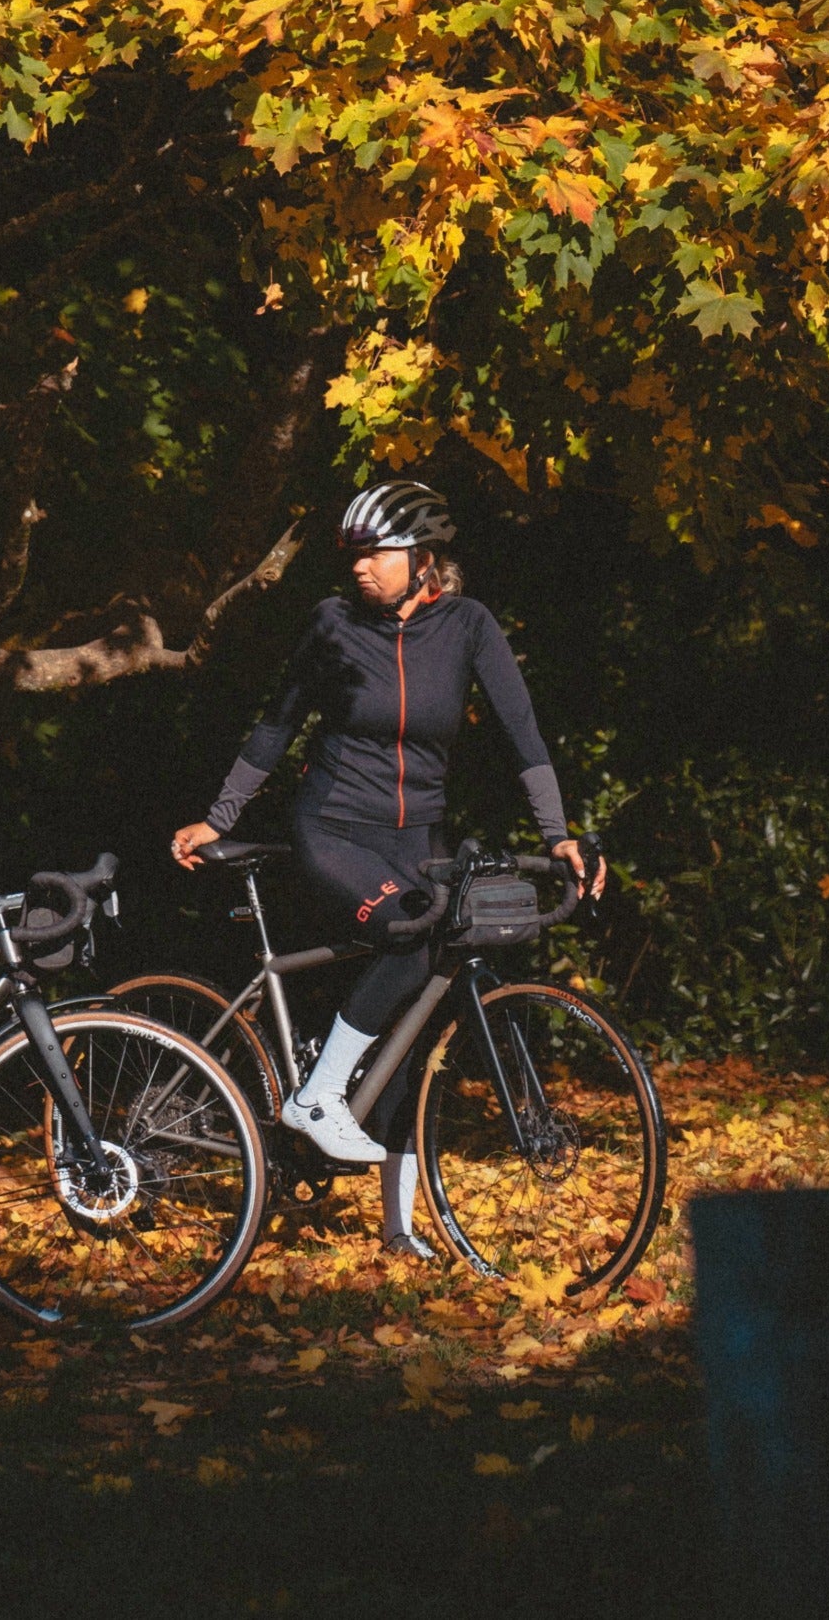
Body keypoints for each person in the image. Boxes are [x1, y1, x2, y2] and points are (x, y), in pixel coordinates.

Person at [171, 479, 604, 1260]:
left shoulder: (467, 625)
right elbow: (277, 724)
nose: (361, 567)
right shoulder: (333, 623)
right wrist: (220, 816)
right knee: (411, 929)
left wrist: (559, 835)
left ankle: (399, 1230)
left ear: (424, 559)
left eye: (378, 553)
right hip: (334, 827)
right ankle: (317, 1097)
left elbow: (522, 733)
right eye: (355, 555)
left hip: (419, 838)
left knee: (416, 1021)